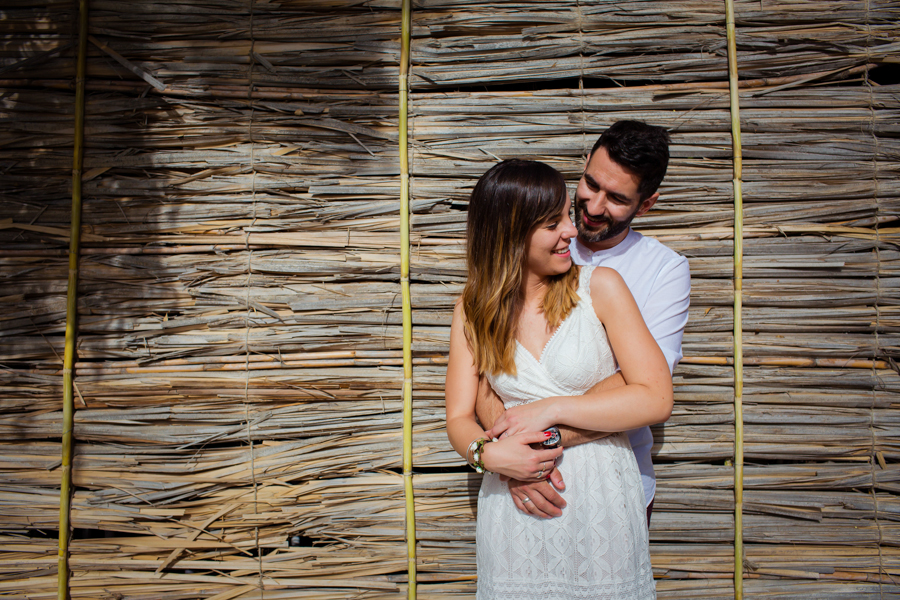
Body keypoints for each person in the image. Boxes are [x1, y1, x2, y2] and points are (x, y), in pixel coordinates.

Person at [445, 158, 671, 598]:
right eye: (552, 223)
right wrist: (490, 459)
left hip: (601, 499)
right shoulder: (472, 309)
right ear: (510, 233)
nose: (571, 231)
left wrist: (550, 408)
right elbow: (458, 416)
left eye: (566, 215)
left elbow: (656, 397)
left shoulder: (601, 287)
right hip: (515, 505)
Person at [475, 120, 690, 523]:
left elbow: (644, 383)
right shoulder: (538, 233)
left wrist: (543, 437)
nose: (592, 207)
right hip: (516, 483)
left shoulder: (664, 270)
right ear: (585, 163)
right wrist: (509, 454)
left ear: (646, 205)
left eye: (616, 198)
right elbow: (486, 374)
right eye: (591, 184)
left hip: (614, 483)